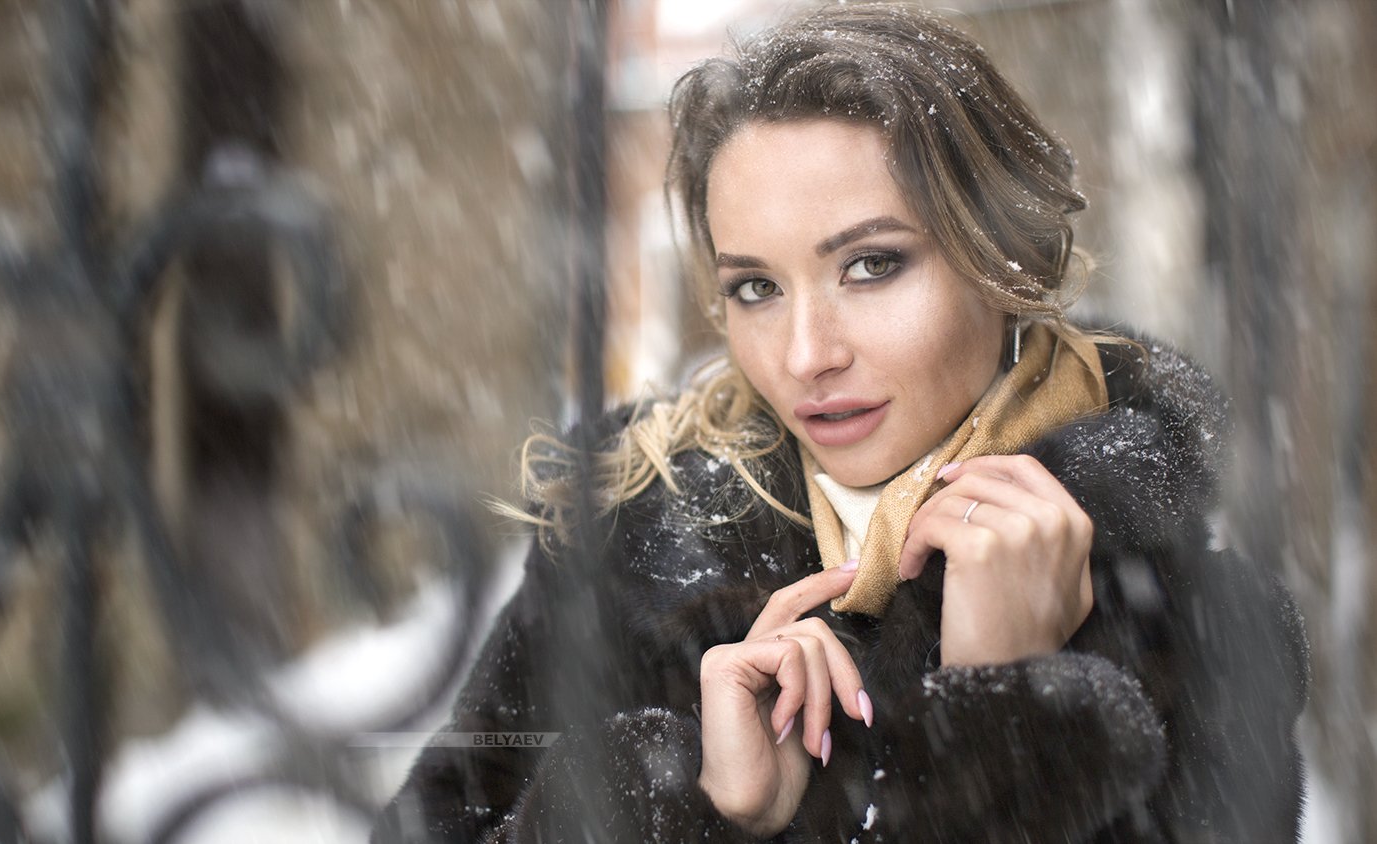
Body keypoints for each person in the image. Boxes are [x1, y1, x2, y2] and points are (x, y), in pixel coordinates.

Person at [375, 3, 1308, 842]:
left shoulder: (1189, 618)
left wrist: (1002, 715)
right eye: (756, 287)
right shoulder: (634, 542)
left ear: (1005, 261)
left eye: (870, 266)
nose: (805, 354)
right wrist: (684, 808)